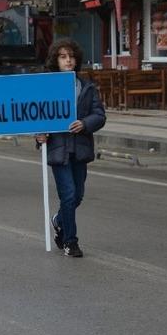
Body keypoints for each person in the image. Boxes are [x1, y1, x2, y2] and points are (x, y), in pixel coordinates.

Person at [35, 39, 106, 258]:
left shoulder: (85, 86)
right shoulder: (47, 86)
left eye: (71, 56)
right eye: (63, 56)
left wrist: (85, 123)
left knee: (78, 195)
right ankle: (70, 241)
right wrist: (40, 134)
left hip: (81, 148)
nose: (68, 60)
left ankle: (59, 220)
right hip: (59, 148)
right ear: (55, 60)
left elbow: (99, 114)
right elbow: (37, 113)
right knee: (68, 194)